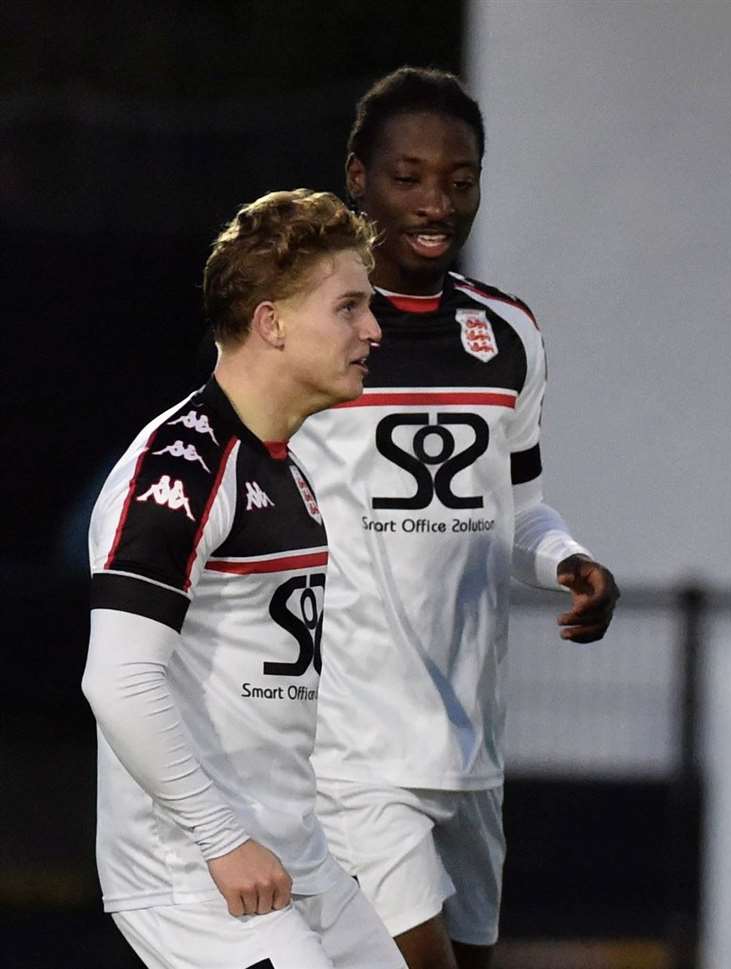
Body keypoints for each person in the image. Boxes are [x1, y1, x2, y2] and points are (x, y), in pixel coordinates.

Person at [293, 68, 621, 969]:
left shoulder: (508, 334)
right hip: (349, 743)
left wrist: (568, 560)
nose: (437, 202)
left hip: (470, 742)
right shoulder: (305, 329)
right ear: (358, 178)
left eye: (460, 178)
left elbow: (519, 513)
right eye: (410, 177)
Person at [83, 189, 400, 968]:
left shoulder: (287, 468)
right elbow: (118, 679)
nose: (373, 329)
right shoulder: (180, 467)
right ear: (272, 322)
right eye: (350, 307)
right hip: (198, 879)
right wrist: (223, 839)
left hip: (297, 860)